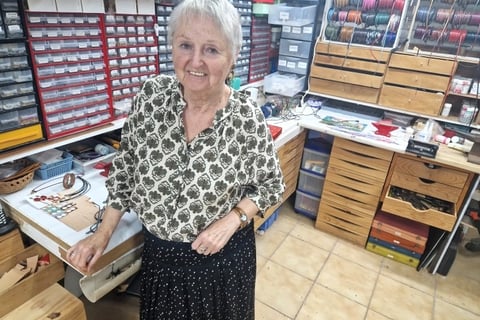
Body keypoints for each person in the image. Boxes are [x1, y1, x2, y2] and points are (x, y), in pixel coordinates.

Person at [66, 0, 285, 319]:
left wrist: (232, 219)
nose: (195, 61)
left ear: (232, 56)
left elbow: (270, 185)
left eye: (211, 49)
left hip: (219, 267)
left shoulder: (245, 118)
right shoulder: (152, 96)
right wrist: (101, 235)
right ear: (172, 47)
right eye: (185, 45)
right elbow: (125, 171)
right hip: (160, 262)